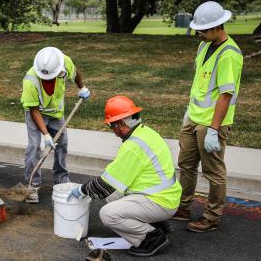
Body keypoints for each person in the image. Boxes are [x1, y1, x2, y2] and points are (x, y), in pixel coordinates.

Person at [67, 96, 181, 257]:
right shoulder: (146, 132)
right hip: (165, 195)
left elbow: (105, 184)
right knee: (113, 196)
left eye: (111, 126)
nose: (112, 130)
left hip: (161, 201)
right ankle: (158, 224)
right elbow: (114, 182)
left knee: (107, 214)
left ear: (120, 124)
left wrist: (82, 190)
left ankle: (152, 238)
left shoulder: (133, 147)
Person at [173, 1, 243, 232]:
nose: (199, 33)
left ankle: (212, 217)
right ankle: (183, 208)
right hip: (193, 117)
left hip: (211, 123)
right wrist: (189, 112)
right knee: (186, 165)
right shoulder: (204, 46)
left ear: (218, 27)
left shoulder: (229, 55)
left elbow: (225, 95)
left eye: (203, 29)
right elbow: (200, 83)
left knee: (213, 171)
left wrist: (214, 129)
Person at [20, 47, 90, 203]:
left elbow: (75, 73)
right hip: (36, 114)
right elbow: (34, 110)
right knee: (34, 147)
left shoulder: (64, 62)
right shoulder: (30, 80)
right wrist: (45, 135)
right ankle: (32, 185)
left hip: (56, 114)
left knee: (62, 144)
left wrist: (82, 87)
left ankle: (61, 180)